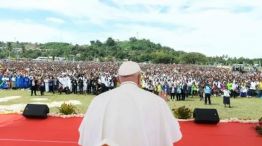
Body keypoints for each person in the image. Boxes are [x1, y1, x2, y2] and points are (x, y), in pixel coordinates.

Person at [79, 61, 182, 146]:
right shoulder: (157, 102)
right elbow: (172, 134)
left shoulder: (99, 100)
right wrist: (160, 104)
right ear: (139, 78)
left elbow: (86, 133)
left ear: (119, 79)